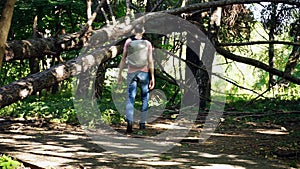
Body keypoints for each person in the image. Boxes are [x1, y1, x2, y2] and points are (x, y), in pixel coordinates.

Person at [117, 24, 155, 133]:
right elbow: (150, 61)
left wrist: (119, 74)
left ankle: (129, 122)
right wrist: (152, 77)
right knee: (145, 97)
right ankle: (142, 123)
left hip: (131, 72)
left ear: (134, 31)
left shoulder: (128, 42)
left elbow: (123, 59)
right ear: (143, 31)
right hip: (144, 73)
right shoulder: (147, 43)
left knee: (130, 97)